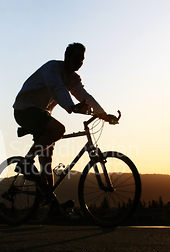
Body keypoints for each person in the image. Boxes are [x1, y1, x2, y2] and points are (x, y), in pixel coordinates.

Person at [13, 42, 112, 216]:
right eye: (76, 58)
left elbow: (85, 96)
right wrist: (72, 107)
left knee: (47, 162)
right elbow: (56, 88)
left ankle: (52, 207)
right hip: (25, 109)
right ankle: (26, 162)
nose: (79, 62)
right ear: (66, 57)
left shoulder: (73, 79)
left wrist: (103, 114)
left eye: (82, 59)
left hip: (42, 115)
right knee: (58, 130)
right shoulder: (52, 68)